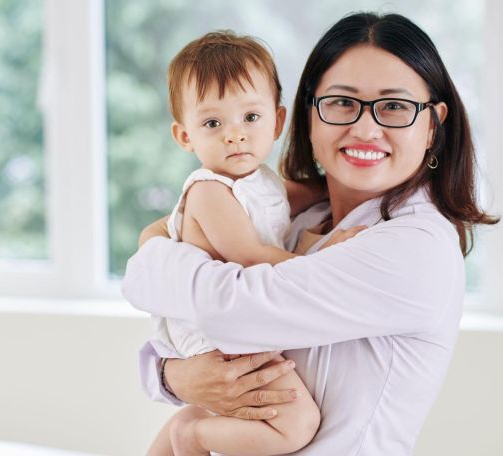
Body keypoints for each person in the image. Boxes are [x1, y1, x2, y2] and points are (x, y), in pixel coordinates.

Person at [123, 12, 498, 456]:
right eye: (342, 102)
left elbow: (222, 310)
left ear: (433, 124)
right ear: (307, 114)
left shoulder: (417, 245)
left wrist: (150, 261)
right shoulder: (292, 217)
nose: (365, 127)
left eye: (394, 106)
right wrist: (175, 375)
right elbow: (184, 313)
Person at [145, 31, 364, 456]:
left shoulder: (260, 181)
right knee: (296, 423)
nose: (235, 135)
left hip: (238, 322)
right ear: (185, 136)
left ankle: (191, 427)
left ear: (278, 122)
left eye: (251, 117)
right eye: (213, 123)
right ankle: (190, 435)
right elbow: (252, 256)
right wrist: (328, 254)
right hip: (214, 335)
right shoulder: (210, 191)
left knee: (257, 418)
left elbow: (311, 190)